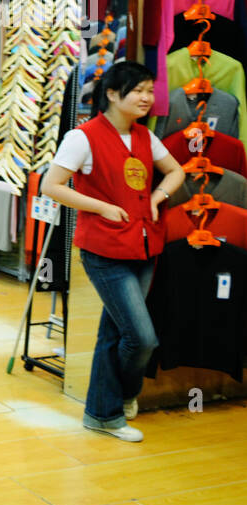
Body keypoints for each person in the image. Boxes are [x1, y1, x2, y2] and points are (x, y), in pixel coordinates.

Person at [41, 61, 184, 443]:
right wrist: (99, 206)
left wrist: (158, 195)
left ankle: (101, 415)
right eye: (138, 90)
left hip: (144, 246)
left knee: (114, 334)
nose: (146, 98)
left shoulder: (145, 137)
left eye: (150, 91)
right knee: (141, 337)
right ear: (111, 94)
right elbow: (50, 185)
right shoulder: (83, 137)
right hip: (105, 250)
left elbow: (176, 171)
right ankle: (124, 395)